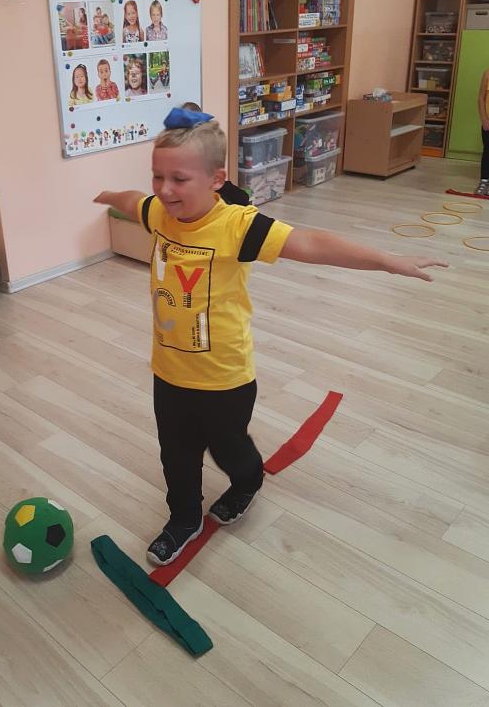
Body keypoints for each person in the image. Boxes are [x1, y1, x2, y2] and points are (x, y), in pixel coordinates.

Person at [93, 108, 448, 566]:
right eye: (158, 176)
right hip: (169, 373)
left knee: (229, 450)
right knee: (175, 455)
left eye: (178, 179)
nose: (164, 189)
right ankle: (183, 518)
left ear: (216, 179)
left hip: (224, 379)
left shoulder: (238, 226)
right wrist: (104, 193)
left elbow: (312, 243)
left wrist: (387, 260)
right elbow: (132, 201)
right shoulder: (159, 213)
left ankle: (248, 481)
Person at [475, 68, 489, 195]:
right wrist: (484, 119)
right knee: (487, 151)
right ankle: (484, 182)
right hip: (488, 123)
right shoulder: (487, 73)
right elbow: (481, 98)